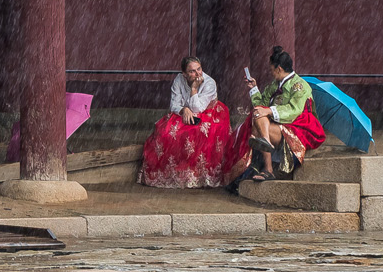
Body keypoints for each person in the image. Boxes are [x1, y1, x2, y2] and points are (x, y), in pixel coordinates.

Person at [228, 46, 326, 186]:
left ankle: (266, 166)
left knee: (258, 125)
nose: (271, 73)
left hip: (295, 127)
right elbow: (261, 105)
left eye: (271, 70)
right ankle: (266, 153)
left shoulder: (299, 86)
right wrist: (254, 89)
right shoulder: (274, 85)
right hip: (273, 126)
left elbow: (294, 110)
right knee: (258, 113)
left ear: (279, 69)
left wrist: (269, 111)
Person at [139, 56, 232, 189]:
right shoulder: (179, 80)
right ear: (184, 74)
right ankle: (175, 174)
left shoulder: (209, 82)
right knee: (166, 133)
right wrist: (183, 110)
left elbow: (199, 108)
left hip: (209, 114)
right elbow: (174, 104)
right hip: (184, 113)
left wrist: (194, 89)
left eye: (199, 69)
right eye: (192, 71)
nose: (197, 73)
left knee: (199, 131)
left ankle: (196, 174)